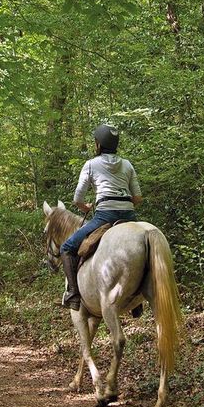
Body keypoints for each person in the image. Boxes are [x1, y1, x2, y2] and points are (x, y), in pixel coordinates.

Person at [60, 124, 143, 308]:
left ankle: (73, 293)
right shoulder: (127, 164)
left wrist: (85, 207)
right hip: (129, 215)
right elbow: (138, 198)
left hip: (104, 216)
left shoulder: (91, 164)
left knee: (67, 247)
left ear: (98, 144)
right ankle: (137, 302)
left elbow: (77, 199)